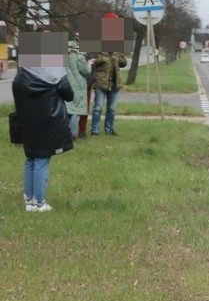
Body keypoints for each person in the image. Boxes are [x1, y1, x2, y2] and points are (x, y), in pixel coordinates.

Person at [13, 56, 75, 212]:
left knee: (30, 158)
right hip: (48, 122)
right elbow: (69, 95)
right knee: (42, 159)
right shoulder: (55, 72)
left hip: (27, 121)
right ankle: (39, 202)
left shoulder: (22, 72)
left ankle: (29, 199)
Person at [90, 45, 127, 136]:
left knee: (111, 109)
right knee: (98, 108)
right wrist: (101, 58)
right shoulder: (99, 51)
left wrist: (118, 57)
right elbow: (93, 63)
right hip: (101, 84)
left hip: (114, 84)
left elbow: (124, 63)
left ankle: (109, 130)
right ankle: (95, 130)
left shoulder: (117, 52)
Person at [65, 40, 91, 139]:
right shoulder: (79, 56)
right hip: (78, 86)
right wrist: (89, 64)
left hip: (66, 85)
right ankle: (73, 134)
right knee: (76, 110)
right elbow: (86, 71)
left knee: (67, 110)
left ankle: (65, 133)